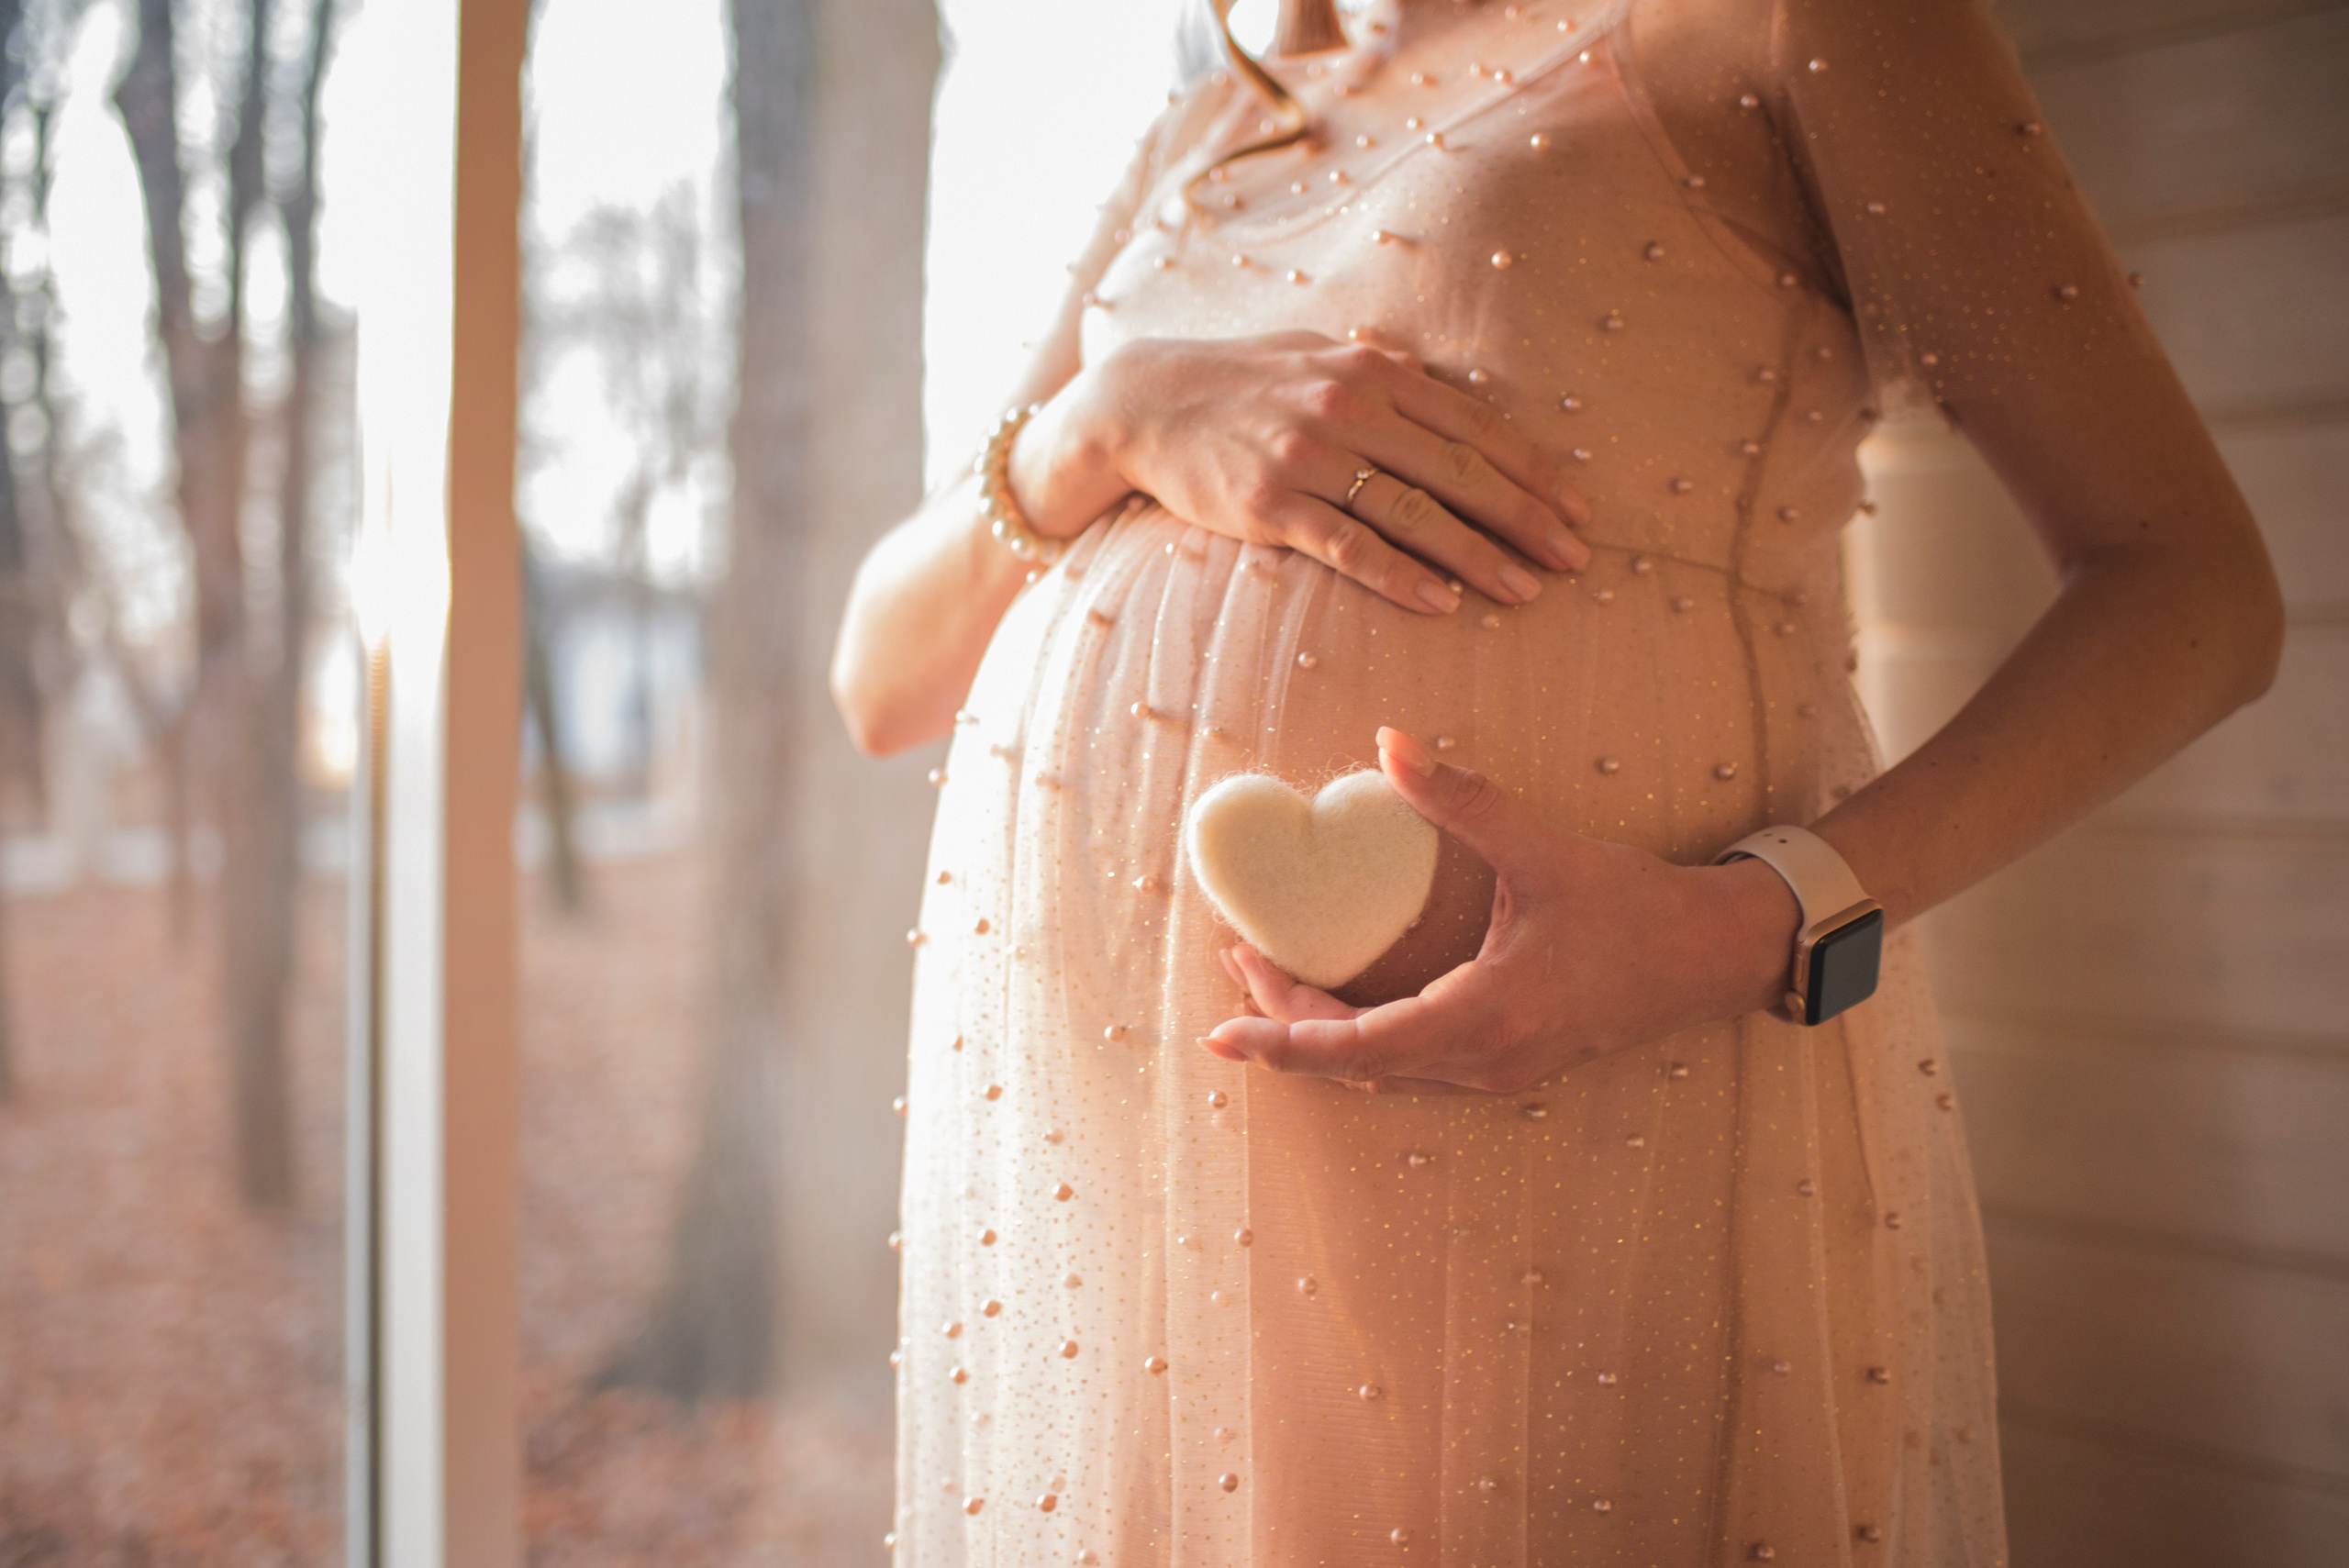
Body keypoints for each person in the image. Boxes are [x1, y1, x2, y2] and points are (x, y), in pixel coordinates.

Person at [830, 0, 2282, 1561]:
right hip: (1134, 1165)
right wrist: (1103, 423)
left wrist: (1755, 924)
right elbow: (882, 676)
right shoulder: (1221, 117)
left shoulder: (1790, 20)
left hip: (1584, 1113)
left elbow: (2194, 591)